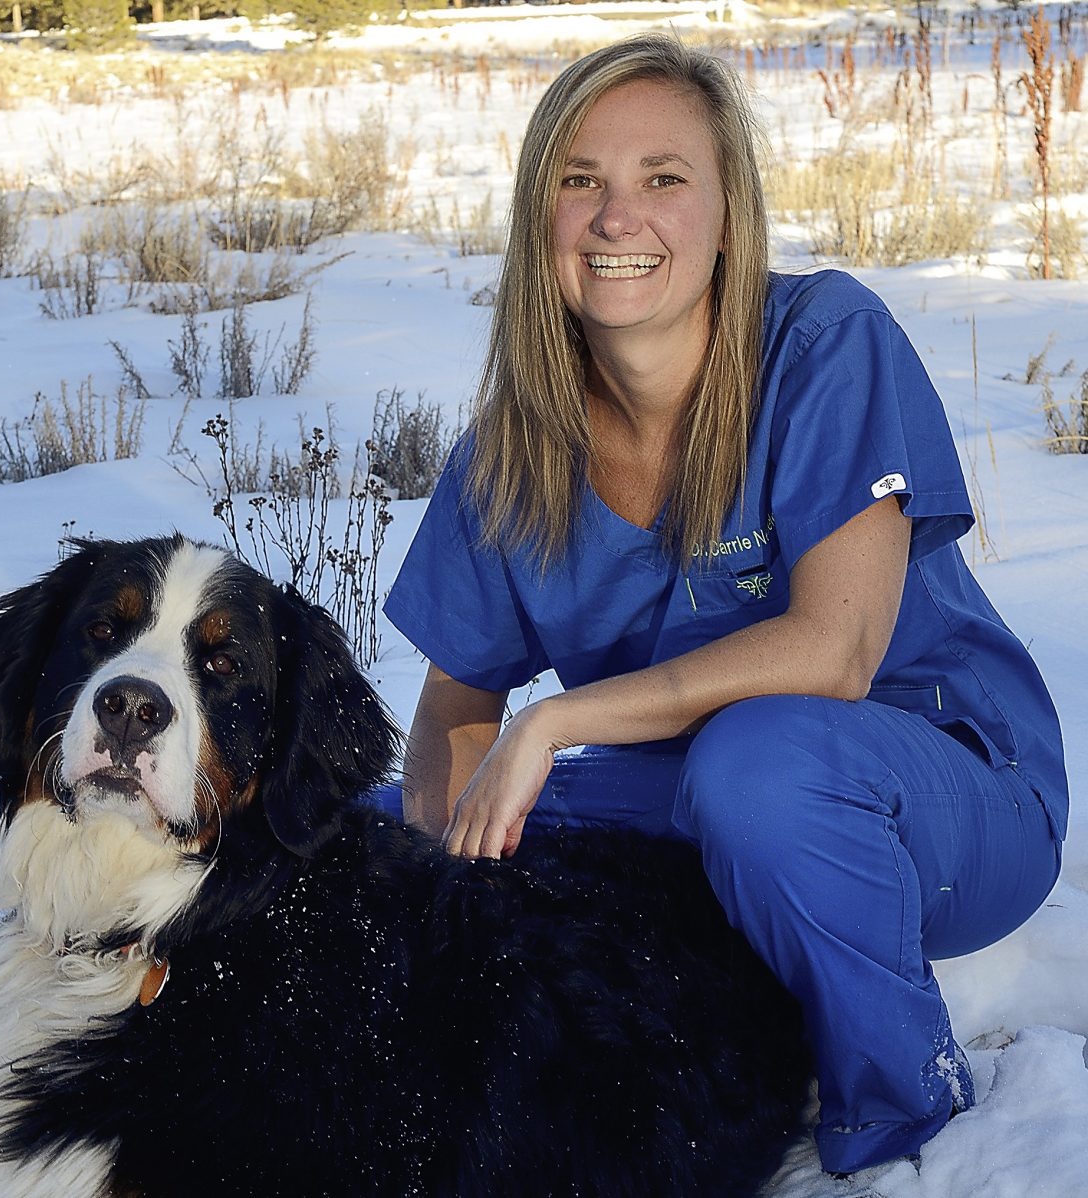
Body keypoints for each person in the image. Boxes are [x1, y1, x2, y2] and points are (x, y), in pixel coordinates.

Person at [378, 32, 1067, 1177]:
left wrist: (554, 721)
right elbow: (457, 700)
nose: (616, 218)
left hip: (945, 798)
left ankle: (900, 1116)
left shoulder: (824, 343)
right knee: (354, 822)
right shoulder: (511, 451)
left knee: (760, 766)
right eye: (579, 180)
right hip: (698, 788)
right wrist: (434, 890)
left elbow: (834, 652)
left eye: (662, 178)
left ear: (728, 212)